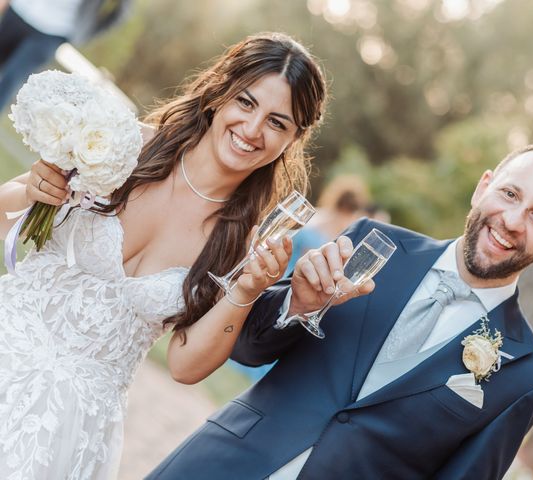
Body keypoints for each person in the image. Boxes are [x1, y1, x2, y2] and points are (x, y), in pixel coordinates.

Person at [147, 143, 533, 479]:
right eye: (510, 194)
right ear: (483, 187)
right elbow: (246, 347)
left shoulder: (526, 378)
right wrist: (297, 304)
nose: (512, 221)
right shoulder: (373, 243)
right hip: (221, 465)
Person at [0, 32, 326, 479]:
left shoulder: (240, 245)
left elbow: (185, 365)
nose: (252, 130)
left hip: (73, 422)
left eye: (277, 122)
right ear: (219, 93)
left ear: (293, 139)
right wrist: (35, 190)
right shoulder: (120, 144)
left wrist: (247, 289)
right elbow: (6, 217)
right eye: (246, 103)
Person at [0, 0, 134, 111]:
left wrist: (84, 34)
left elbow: (121, 13)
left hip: (53, 31)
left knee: (9, 82)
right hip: (18, 11)